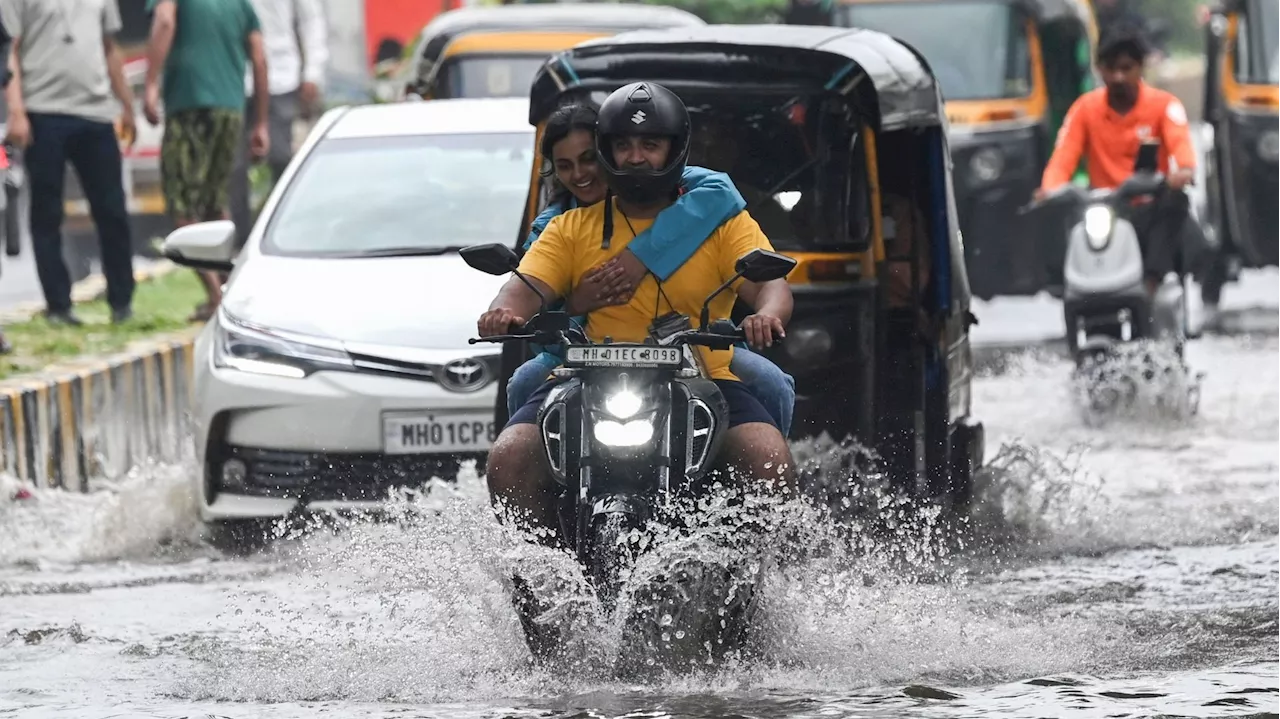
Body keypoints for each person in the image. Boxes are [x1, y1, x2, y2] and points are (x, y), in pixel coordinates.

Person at [479, 81, 796, 541]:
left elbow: (772, 287)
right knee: (507, 458)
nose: (635, 157)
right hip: (579, 381)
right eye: (623, 145)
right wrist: (501, 313)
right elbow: (521, 291)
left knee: (770, 460)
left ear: (675, 149)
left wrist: (765, 314)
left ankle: (749, 577)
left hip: (704, 379)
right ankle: (541, 582)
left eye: (650, 144)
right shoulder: (568, 227)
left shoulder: (720, 219)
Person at [508, 102, 797, 435]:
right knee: (523, 383)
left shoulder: (685, 193)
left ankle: (773, 484)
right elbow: (529, 309)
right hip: (585, 358)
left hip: (696, 353)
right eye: (565, 166)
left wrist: (639, 257)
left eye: (589, 159)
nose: (580, 175)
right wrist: (576, 304)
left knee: (771, 383)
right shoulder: (554, 226)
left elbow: (723, 192)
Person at [1036, 29, 1208, 298]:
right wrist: (1050, 188)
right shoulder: (1085, 109)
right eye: (1110, 69)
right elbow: (1063, 156)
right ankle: (1066, 286)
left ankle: (1152, 282)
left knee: (1176, 201)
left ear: (1140, 68)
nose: (1118, 77)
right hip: (1105, 211)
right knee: (1054, 216)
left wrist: (1184, 170)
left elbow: (1181, 144)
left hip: (1149, 208)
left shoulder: (1164, 105)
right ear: (1100, 70)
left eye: (1126, 68)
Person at [2, 0, 137, 326]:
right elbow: (10, 52)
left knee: (112, 210)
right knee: (47, 214)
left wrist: (127, 106)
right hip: (43, 112)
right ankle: (58, 305)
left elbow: (109, 48)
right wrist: (16, 112)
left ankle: (121, 301)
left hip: (96, 113)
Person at [143, 0, 269, 322]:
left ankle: (216, 294)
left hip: (190, 104)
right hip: (230, 110)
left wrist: (151, 85)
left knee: (182, 206)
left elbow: (165, 21)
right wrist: (261, 123)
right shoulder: (240, 4)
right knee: (215, 206)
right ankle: (230, 290)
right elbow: (259, 56)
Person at [228, 0, 328, 250]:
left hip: (280, 75)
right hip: (233, 77)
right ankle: (238, 244)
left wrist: (313, 72)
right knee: (233, 168)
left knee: (281, 158)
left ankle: (283, 236)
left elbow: (310, 18)